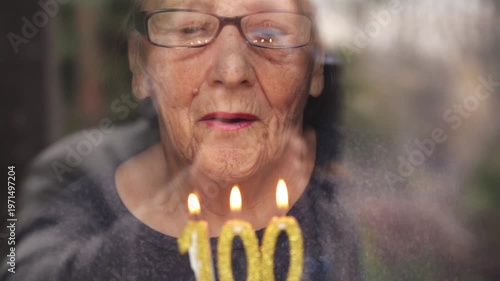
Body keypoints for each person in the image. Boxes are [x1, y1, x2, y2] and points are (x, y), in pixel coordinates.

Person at [2, 0, 359, 280]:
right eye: (191, 31)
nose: (232, 72)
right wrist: (165, 220)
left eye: (268, 35)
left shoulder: (332, 202)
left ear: (313, 71)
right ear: (141, 66)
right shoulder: (75, 175)